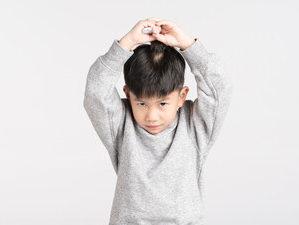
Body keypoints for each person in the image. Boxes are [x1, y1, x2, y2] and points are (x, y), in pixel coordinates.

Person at [83, 17, 233, 224]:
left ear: (181, 96)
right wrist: (127, 42)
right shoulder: (121, 125)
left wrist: (188, 44)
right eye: (142, 104)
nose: (152, 116)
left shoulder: (194, 127)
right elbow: (95, 91)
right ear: (128, 95)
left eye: (163, 104)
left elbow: (220, 88)